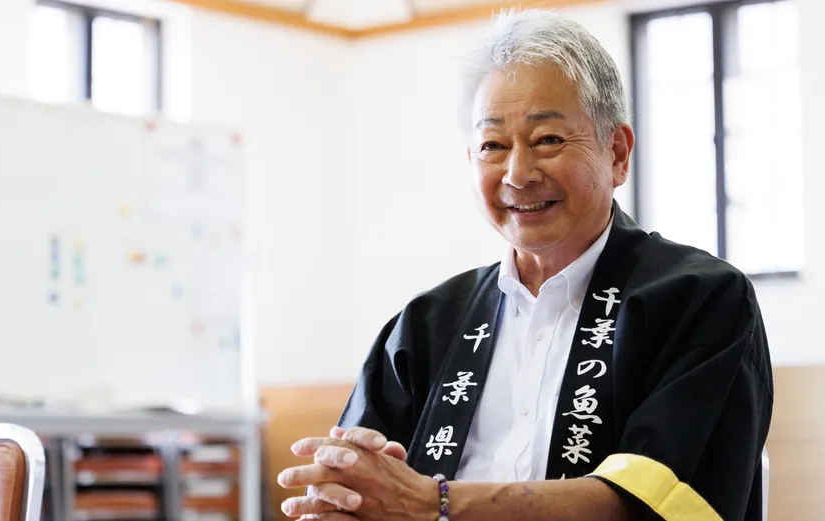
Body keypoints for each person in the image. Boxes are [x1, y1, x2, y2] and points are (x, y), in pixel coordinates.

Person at [277, 8, 773, 521]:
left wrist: (434, 505)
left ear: (617, 153)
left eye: (547, 140)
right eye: (493, 145)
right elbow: (366, 490)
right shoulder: (426, 324)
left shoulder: (701, 300)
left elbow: (659, 501)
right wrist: (343, 495)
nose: (518, 173)